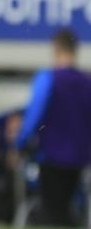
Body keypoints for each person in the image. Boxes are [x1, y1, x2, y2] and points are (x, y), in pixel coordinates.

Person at [16, 29, 91, 227]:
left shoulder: (49, 78)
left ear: (56, 49)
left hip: (52, 155)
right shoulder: (87, 82)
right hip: (79, 158)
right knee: (67, 208)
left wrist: (20, 143)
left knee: (52, 211)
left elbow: (34, 115)